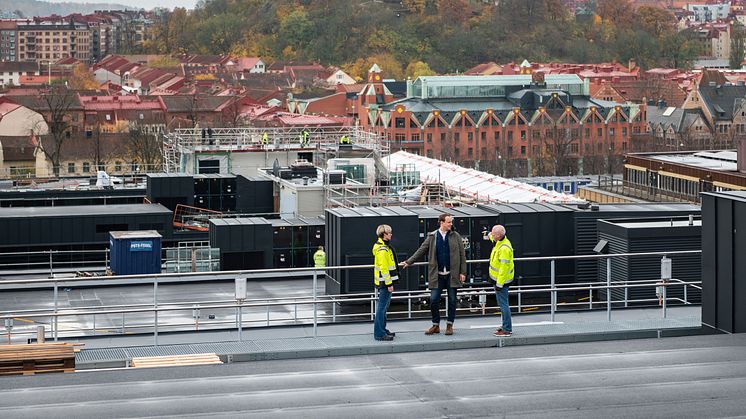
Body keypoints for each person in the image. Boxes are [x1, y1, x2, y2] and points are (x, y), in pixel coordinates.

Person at [401, 213, 466, 336]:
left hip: (452, 274)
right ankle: (435, 325)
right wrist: (409, 262)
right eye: (448, 222)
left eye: (451, 222)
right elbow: (421, 250)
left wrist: (463, 272)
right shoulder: (432, 236)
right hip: (437, 275)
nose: (451, 224)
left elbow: (463, 255)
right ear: (441, 223)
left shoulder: (455, 236)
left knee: (452, 300)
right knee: (433, 299)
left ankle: (449, 325)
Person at [373, 224, 398, 341]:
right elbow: (384, 268)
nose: (391, 234)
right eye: (389, 233)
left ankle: (382, 329)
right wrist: (389, 284)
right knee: (382, 307)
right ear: (384, 235)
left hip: (385, 282)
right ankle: (379, 333)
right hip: (385, 283)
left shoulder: (383, 247)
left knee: (383, 307)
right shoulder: (383, 250)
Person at [489, 224, 514, 337]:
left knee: (503, 305)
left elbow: (503, 269)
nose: (492, 235)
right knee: (502, 304)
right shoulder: (500, 241)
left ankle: (507, 329)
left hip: (501, 281)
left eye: (493, 234)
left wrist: (499, 284)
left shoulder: (504, 248)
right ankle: (505, 325)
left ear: (498, 236)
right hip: (499, 280)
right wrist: (488, 235)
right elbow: (492, 239)